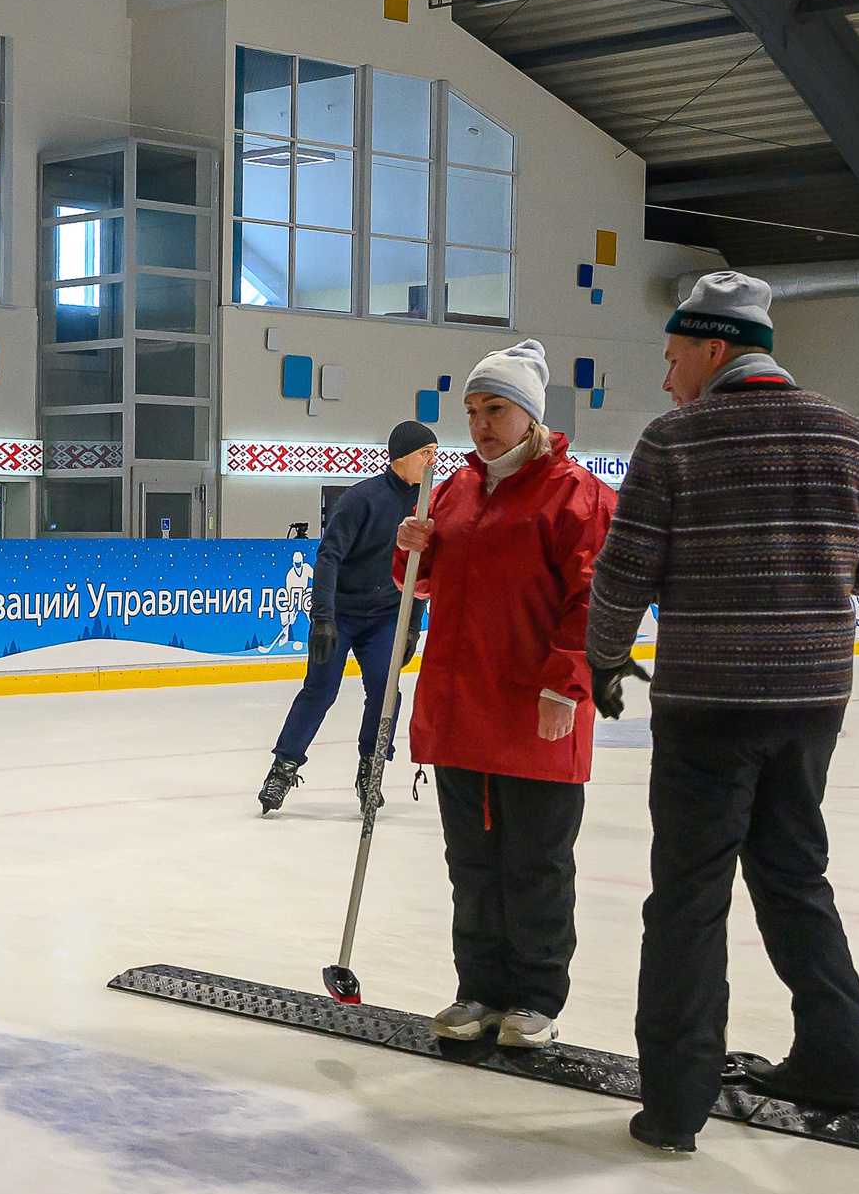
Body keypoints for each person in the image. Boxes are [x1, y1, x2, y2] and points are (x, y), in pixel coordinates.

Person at [588, 271, 859, 1156]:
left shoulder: (675, 440)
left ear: (713, 347)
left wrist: (605, 657)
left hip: (709, 707)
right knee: (796, 876)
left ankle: (677, 1103)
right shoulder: (848, 433)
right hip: (811, 704)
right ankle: (838, 1063)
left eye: (672, 355)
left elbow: (622, 578)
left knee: (688, 898)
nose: (666, 377)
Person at [392, 340, 615, 1052]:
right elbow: (424, 585)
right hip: (461, 712)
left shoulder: (577, 494)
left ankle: (536, 994)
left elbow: (595, 600)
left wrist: (565, 683)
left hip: (533, 712)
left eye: (494, 409)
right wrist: (411, 547)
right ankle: (479, 987)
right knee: (473, 865)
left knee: (535, 865)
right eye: (472, 411)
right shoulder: (455, 489)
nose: (480, 424)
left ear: (529, 414)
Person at [259, 420, 433, 817]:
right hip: (341, 613)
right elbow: (328, 557)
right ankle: (283, 767)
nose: (432, 461)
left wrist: (410, 625)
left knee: (386, 692)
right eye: (425, 453)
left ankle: (371, 771)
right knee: (320, 690)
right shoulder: (361, 499)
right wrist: (323, 618)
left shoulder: (426, 506)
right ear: (402, 457)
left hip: (386, 616)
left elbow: (420, 569)